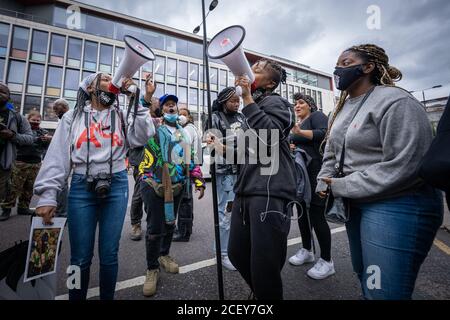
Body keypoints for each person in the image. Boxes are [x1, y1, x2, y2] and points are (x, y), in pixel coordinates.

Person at [316, 44, 443, 300]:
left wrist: (340, 185)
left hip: (398, 202)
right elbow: (332, 150)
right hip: (357, 202)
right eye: (337, 63)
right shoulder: (342, 109)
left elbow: (407, 164)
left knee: (384, 291)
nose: (338, 69)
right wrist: (323, 179)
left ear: (368, 67)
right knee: (365, 277)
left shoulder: (396, 100)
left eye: (345, 62)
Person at [33, 73, 154, 300]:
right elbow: (58, 156)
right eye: (107, 78)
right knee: (78, 258)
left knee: (109, 254)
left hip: (116, 185)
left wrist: (137, 100)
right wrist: (48, 195)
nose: (114, 81)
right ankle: (75, 297)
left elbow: (143, 136)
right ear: (90, 87)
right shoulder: (73, 117)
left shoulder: (121, 114)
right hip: (81, 187)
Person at [225, 59, 297, 300]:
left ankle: (265, 295)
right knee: (236, 253)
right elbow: (250, 148)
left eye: (257, 69)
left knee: (265, 266)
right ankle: (261, 293)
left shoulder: (278, 103)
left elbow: (271, 138)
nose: (250, 69)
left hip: (270, 191)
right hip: (246, 190)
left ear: (271, 82)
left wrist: (247, 100)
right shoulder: (251, 109)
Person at [139, 94, 206, 297]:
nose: (171, 107)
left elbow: (190, 157)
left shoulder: (183, 133)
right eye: (167, 105)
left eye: (174, 105)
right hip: (153, 184)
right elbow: (140, 117)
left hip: (177, 185)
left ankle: (164, 255)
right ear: (161, 109)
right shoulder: (152, 127)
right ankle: (152, 268)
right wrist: (145, 100)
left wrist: (198, 179)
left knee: (170, 223)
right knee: (153, 228)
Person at [287, 93, 335, 279]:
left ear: (311, 105)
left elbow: (324, 134)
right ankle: (307, 250)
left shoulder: (317, 116)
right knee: (301, 213)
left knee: (316, 215)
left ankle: (327, 261)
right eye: (295, 104)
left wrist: (298, 133)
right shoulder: (297, 124)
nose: (297, 106)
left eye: (301, 103)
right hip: (300, 175)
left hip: (317, 173)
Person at [205, 87, 245, 270]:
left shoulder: (241, 117)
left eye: (238, 101)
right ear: (223, 101)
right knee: (225, 213)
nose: (236, 104)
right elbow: (212, 144)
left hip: (242, 169)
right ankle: (223, 253)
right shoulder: (214, 118)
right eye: (232, 101)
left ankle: (232, 248)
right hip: (224, 172)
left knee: (238, 212)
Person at [1, 111, 51, 220]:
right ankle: (6, 209)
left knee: (29, 187)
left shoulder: (43, 131)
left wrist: (47, 141)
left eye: (38, 120)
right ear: (28, 120)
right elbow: (22, 141)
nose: (36, 122)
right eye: (33, 120)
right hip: (20, 162)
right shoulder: (22, 130)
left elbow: (46, 148)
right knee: (13, 187)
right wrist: (37, 139)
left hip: (36, 162)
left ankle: (23, 207)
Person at [129, 74, 159, 241]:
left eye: (154, 104)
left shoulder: (157, 119)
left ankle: (154, 223)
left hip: (155, 160)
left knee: (155, 192)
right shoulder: (136, 116)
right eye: (150, 103)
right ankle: (135, 224)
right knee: (140, 192)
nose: (155, 105)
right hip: (140, 158)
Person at [0, 83, 34, 221]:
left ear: (9, 97)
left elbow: (29, 138)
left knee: (9, 187)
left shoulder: (17, 118)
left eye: (2, 92)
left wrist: (12, 135)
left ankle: (7, 209)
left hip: (5, 160)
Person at [173, 107, 202, 242]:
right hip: (189, 167)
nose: (181, 117)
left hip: (186, 168)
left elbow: (184, 146)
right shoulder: (189, 128)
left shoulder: (188, 129)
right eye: (179, 114)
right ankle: (185, 229)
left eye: (184, 115)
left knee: (185, 202)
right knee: (186, 201)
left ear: (189, 117)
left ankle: (184, 232)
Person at [52, 98, 70, 218]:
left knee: (62, 184)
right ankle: (62, 212)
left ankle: (62, 213)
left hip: (67, 156)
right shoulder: (63, 119)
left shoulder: (67, 117)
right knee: (61, 184)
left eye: (58, 109)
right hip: (62, 156)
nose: (56, 111)